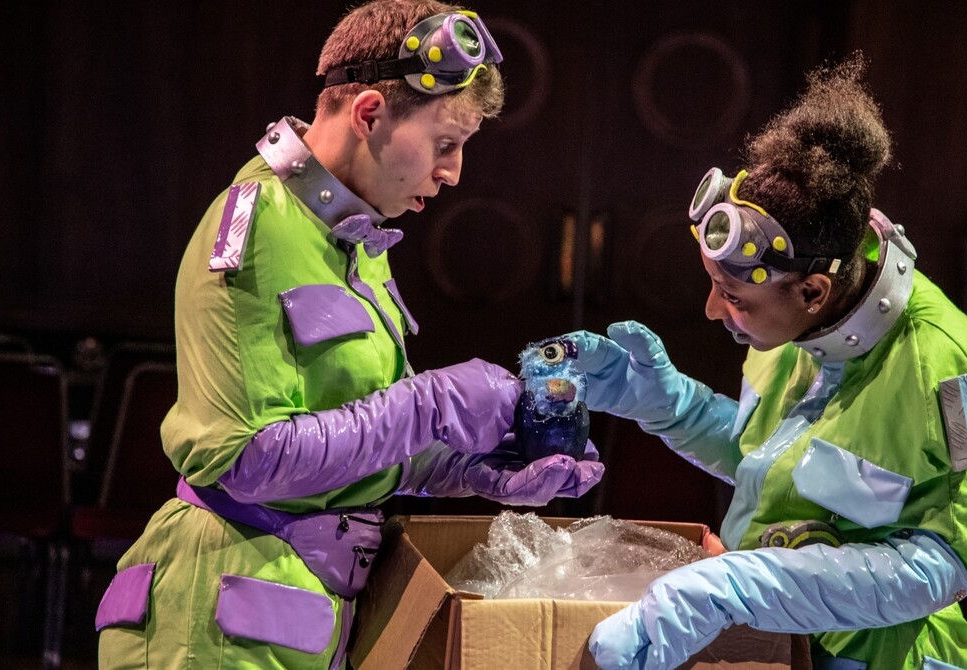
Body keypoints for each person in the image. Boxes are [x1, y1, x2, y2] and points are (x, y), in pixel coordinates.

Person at [94, 1, 603, 667]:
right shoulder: (259, 226)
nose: (452, 173)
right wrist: (429, 406)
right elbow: (245, 462)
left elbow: (346, 444)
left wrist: (474, 470)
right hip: (211, 627)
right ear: (368, 114)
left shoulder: (353, 237)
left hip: (296, 616)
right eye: (445, 144)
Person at [558, 54, 967, 670]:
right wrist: (664, 404)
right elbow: (771, 462)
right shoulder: (806, 328)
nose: (714, 310)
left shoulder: (934, 362)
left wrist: (733, 588)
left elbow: (938, 569)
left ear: (814, 291)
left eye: (733, 296)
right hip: (782, 646)